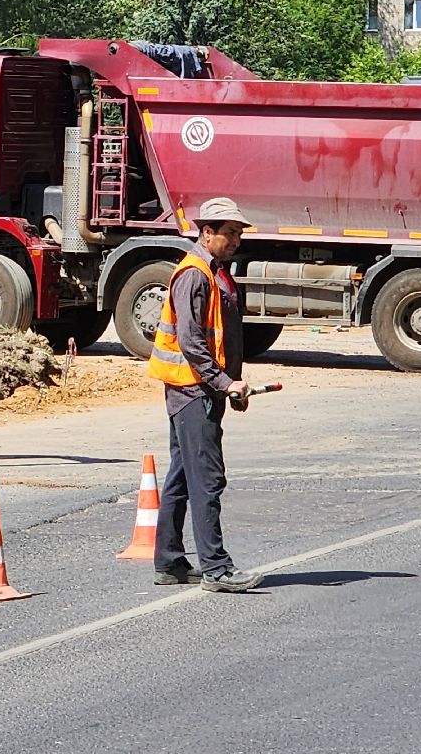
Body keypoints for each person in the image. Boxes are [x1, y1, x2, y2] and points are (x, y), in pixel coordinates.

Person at [147, 196, 263, 593]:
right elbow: (193, 342)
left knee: (182, 475)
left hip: (199, 389)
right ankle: (216, 568)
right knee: (207, 479)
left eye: (238, 234)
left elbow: (220, 337)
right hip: (193, 392)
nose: (235, 241)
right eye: (229, 233)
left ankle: (170, 562)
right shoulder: (195, 274)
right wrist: (223, 382)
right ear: (207, 232)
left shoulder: (215, 272)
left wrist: (233, 384)